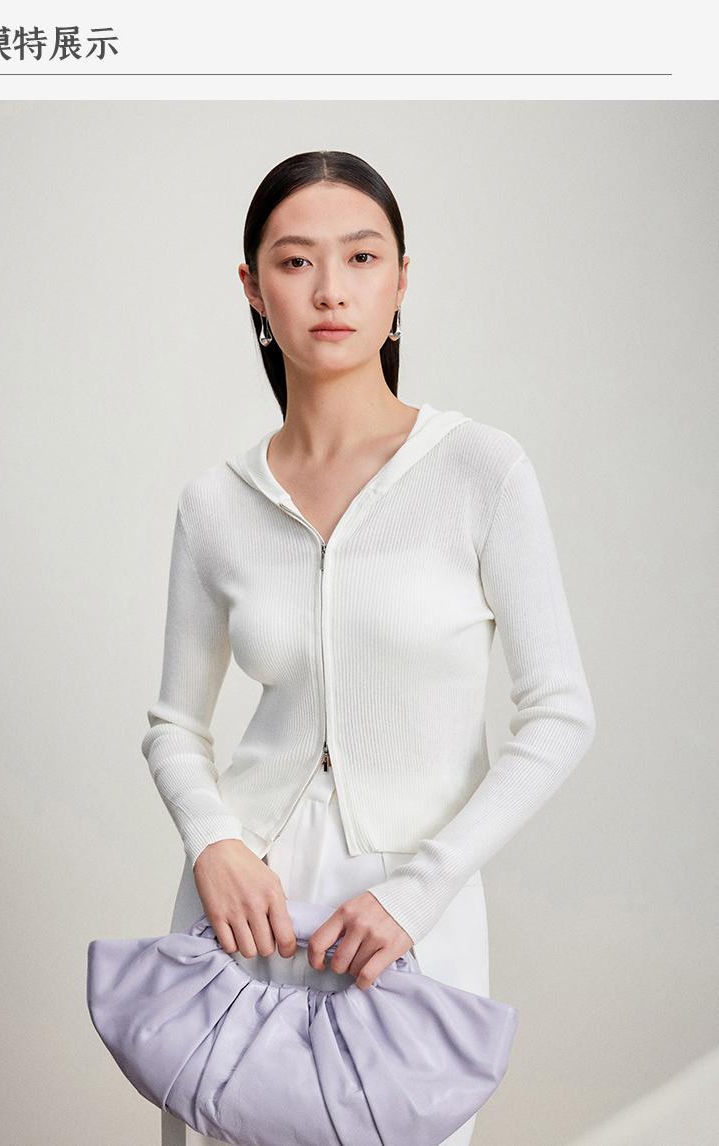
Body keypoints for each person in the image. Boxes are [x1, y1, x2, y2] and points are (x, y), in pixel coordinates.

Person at [142, 150, 597, 1146]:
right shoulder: (215, 504)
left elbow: (561, 714)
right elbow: (174, 724)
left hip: (405, 914)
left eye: (361, 256)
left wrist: (421, 891)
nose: (331, 290)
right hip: (243, 905)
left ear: (401, 280)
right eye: (295, 261)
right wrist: (213, 842)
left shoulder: (479, 471)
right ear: (253, 288)